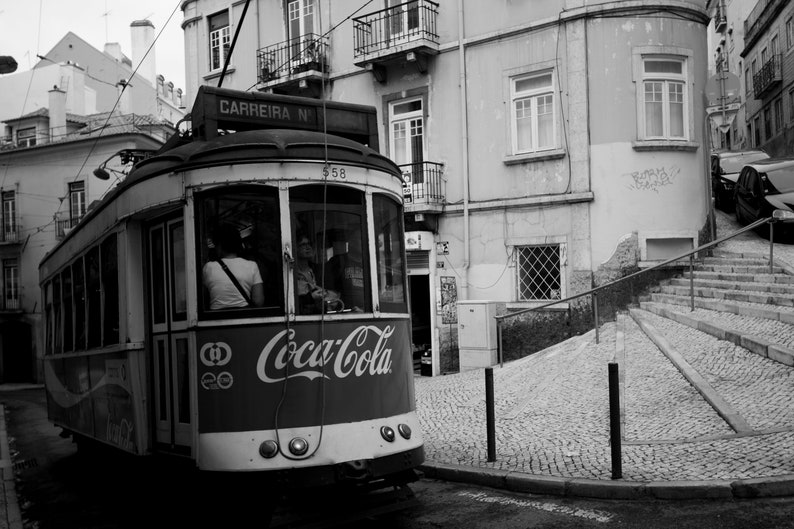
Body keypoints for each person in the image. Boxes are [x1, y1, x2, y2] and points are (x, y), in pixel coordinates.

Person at [202, 224, 265, 310]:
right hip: (244, 318)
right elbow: (258, 301)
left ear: (219, 245)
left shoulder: (208, 267)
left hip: (215, 319)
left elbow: (203, 299)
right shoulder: (252, 266)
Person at [294, 233, 339, 314]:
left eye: (309, 244)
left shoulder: (319, 270)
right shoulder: (290, 273)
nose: (308, 247)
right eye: (303, 245)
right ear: (294, 248)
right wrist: (311, 297)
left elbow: (332, 294)